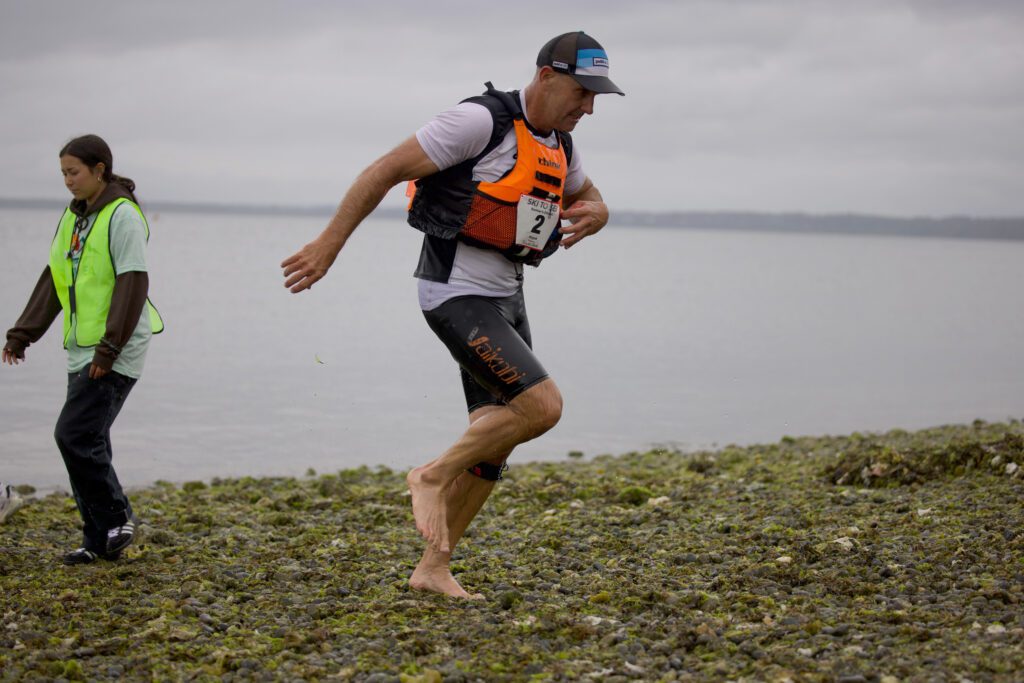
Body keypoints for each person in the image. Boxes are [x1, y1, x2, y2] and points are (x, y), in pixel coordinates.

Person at [282, 31, 623, 598]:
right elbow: (383, 170)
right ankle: (431, 474)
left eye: (596, 98)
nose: (588, 107)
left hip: (507, 297)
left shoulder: (561, 143)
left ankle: (433, 568)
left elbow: (589, 195)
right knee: (543, 406)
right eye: (582, 92)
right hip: (455, 295)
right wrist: (328, 246)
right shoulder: (477, 123)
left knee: (495, 440)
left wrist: (600, 214)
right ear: (545, 76)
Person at [3, 134, 164, 565]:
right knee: (87, 438)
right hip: (83, 347)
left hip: (116, 346)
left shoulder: (122, 216)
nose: (68, 181)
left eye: (74, 172)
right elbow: (56, 276)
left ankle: (118, 517)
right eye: (63, 174)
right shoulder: (75, 216)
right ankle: (98, 540)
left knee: (73, 435)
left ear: (100, 170)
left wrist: (108, 350)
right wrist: (23, 333)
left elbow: (133, 283)